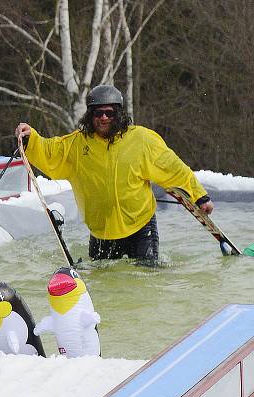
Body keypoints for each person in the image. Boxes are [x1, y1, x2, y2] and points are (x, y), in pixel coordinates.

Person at [15, 84, 213, 263]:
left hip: (141, 228)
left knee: (146, 282)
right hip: (102, 233)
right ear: (90, 115)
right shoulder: (76, 144)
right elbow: (49, 151)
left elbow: (173, 169)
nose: (103, 118)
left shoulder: (142, 140)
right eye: (98, 113)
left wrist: (200, 196)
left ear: (118, 114)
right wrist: (30, 138)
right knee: (104, 287)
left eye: (109, 113)